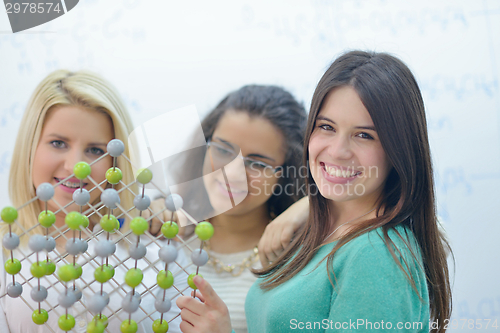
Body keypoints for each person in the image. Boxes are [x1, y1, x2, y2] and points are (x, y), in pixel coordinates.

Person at [175, 50, 452, 333]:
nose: (337, 151)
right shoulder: (321, 235)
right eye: (327, 127)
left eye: (364, 135)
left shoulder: (375, 253)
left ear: (399, 150)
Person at [0, 70, 186, 333]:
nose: (77, 167)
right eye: (58, 143)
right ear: (30, 147)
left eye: (96, 150)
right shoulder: (6, 252)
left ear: (116, 161)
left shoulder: (158, 253)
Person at [156, 85, 306, 333]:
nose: (232, 174)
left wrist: (313, 203)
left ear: (286, 174)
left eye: (257, 163)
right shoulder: (165, 230)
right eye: (224, 150)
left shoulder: (296, 259)